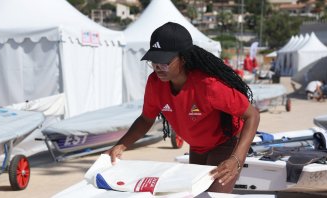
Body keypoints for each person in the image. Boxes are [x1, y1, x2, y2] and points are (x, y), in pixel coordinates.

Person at [105, 22, 260, 193]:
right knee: (194, 193)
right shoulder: (155, 84)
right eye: (154, 61)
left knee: (212, 196)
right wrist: (121, 145)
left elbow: (252, 115)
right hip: (197, 147)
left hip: (226, 142)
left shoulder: (208, 85)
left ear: (183, 58)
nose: (157, 67)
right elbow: (146, 119)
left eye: (164, 62)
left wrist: (236, 159)